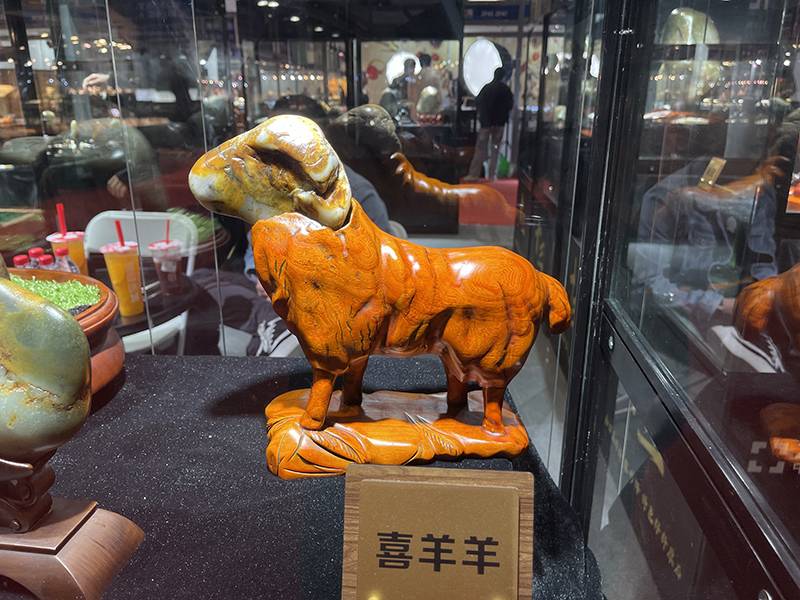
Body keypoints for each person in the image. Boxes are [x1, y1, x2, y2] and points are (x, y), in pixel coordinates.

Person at [466, 67, 514, 180]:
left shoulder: (487, 88)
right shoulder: (506, 89)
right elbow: (510, 105)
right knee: (495, 149)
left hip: (486, 123)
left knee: (480, 149)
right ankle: (492, 175)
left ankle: (474, 174)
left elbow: (478, 101)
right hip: (499, 124)